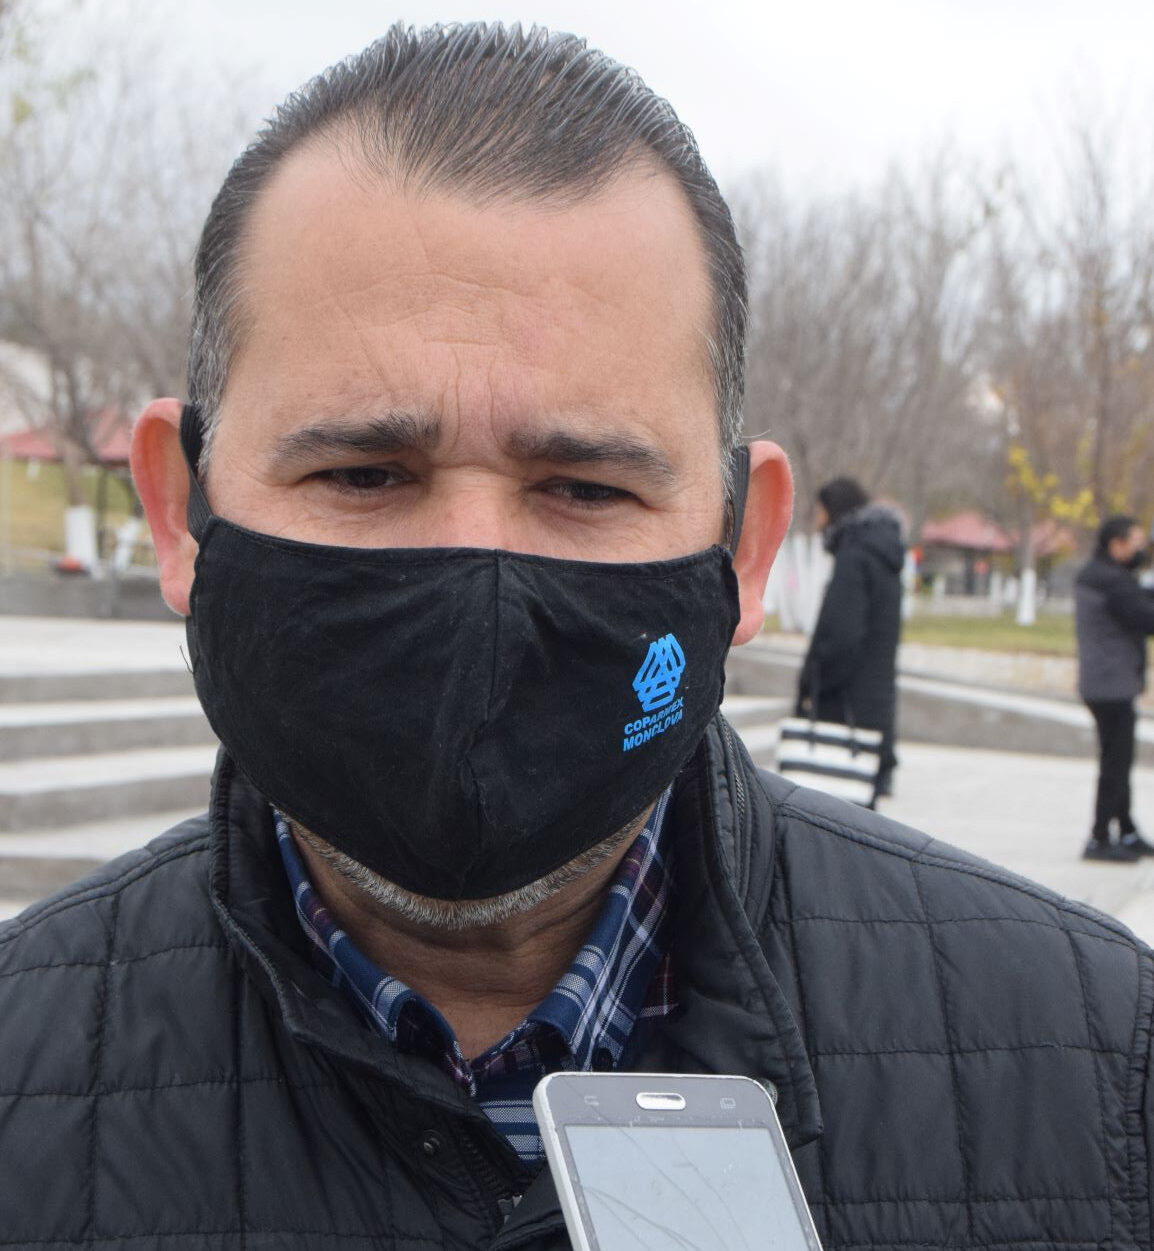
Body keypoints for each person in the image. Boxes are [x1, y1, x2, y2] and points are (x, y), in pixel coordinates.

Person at [1, 24, 1153, 1250]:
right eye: (362, 474)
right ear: (179, 510)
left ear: (743, 546)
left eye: (585, 488)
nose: (473, 579)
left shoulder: (1102, 1072)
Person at [797, 477, 904, 797]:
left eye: (820, 512)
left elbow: (840, 637)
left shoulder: (854, 557)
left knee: (832, 813)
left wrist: (812, 685)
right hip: (874, 709)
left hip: (845, 713)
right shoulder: (882, 555)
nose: (818, 521)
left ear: (835, 510)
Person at [1075, 514, 1154, 861]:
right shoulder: (1111, 580)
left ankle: (1127, 830)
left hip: (1103, 683)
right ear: (1116, 544)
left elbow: (1136, 598)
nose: (1141, 549)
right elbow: (1146, 617)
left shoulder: (1098, 574)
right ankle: (1099, 838)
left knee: (1117, 761)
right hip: (1111, 686)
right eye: (1136, 543)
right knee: (1116, 764)